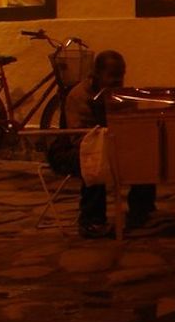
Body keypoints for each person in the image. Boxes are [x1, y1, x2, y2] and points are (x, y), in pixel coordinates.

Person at [64, 51, 156, 239]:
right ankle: (91, 220)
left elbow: (130, 124)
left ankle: (141, 211)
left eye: (120, 78)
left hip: (109, 143)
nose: (117, 82)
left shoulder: (118, 94)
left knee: (145, 153)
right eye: (112, 78)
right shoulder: (79, 96)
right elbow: (78, 137)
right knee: (97, 161)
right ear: (97, 75)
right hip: (76, 149)